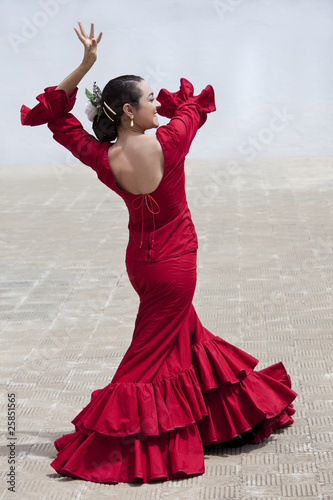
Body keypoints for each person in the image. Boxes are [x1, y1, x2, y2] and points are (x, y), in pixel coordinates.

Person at [21, 22, 297, 484]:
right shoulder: (171, 141)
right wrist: (179, 105)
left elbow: (51, 115)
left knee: (189, 338)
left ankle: (233, 416)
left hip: (141, 265)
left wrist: (85, 65)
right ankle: (113, 443)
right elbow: (196, 107)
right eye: (149, 99)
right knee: (147, 359)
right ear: (129, 111)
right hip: (177, 264)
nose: (157, 104)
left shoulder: (100, 156)